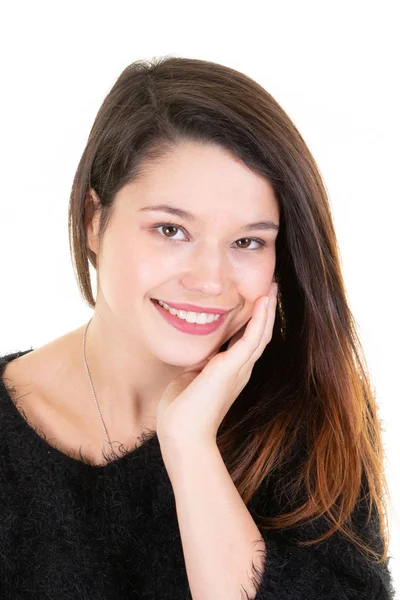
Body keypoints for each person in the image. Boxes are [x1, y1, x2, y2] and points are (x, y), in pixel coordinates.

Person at [0, 56, 395, 599]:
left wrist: (190, 447)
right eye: (170, 229)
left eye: (248, 241)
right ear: (94, 221)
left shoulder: (310, 417)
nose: (210, 280)